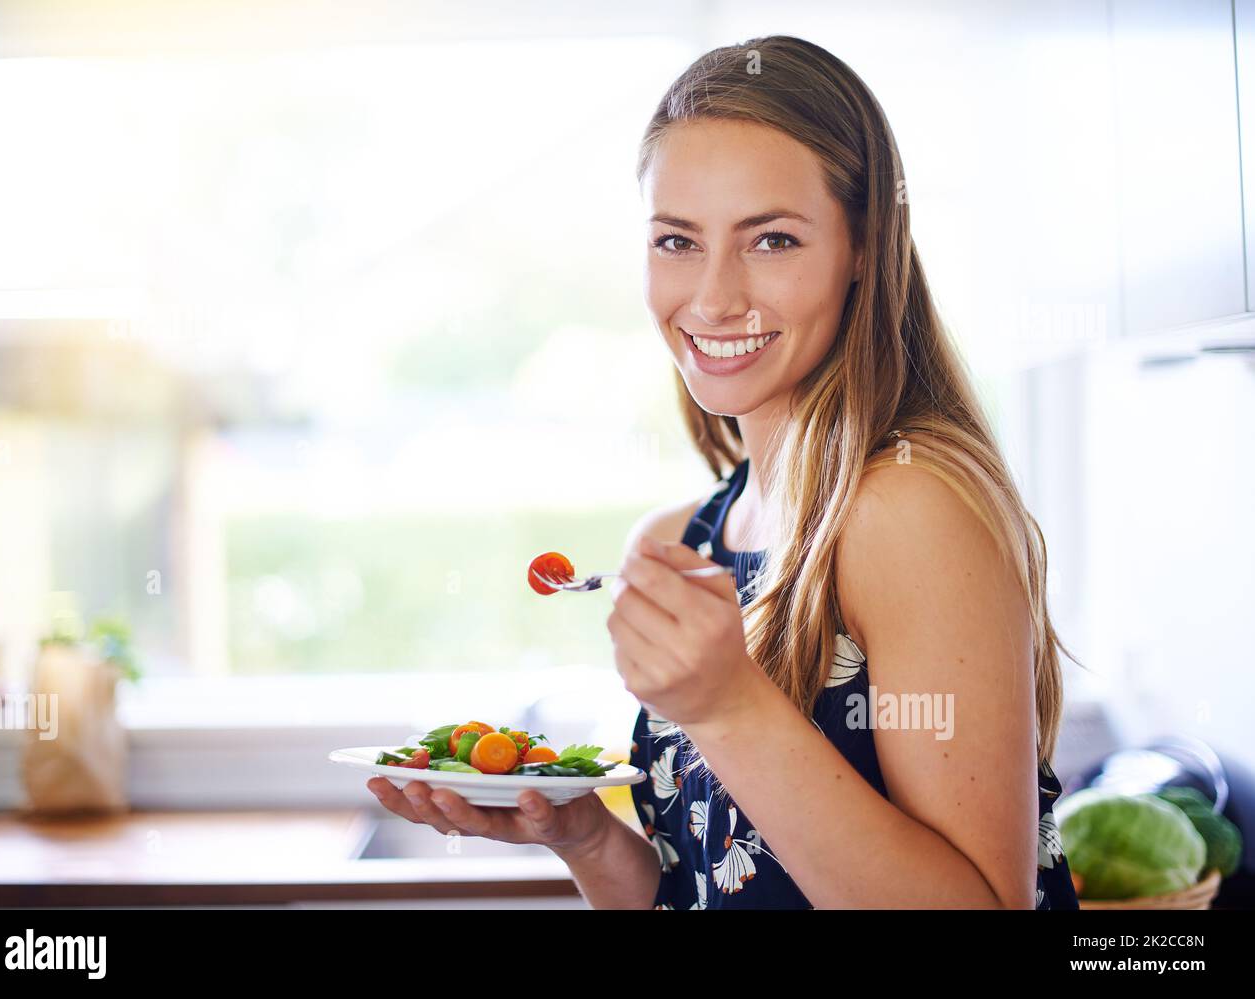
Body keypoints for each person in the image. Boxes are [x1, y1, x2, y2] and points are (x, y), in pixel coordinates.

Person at [367, 33, 1081, 910]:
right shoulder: (683, 538)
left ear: (864, 246)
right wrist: (585, 838)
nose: (711, 298)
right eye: (676, 240)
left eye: (771, 239)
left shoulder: (905, 505)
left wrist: (727, 705)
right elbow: (701, 890)